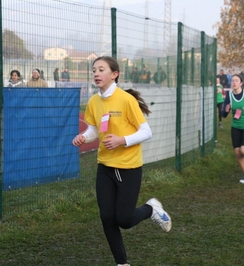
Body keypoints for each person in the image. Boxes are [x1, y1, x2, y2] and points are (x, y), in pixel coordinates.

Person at [71, 56, 172, 266]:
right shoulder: (93, 101)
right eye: (94, 70)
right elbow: (95, 129)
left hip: (128, 167)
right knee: (107, 217)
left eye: (101, 69)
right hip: (105, 167)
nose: (96, 74)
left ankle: (151, 209)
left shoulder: (126, 100)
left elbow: (146, 131)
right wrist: (84, 137)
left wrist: (122, 140)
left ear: (114, 74)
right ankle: (122, 263)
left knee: (124, 220)